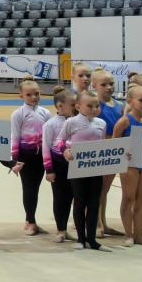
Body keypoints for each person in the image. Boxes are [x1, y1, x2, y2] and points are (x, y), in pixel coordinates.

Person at [57, 89, 108, 251]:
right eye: (89, 106)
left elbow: (102, 145)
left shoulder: (101, 123)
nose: (94, 109)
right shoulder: (71, 122)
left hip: (95, 169)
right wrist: (65, 151)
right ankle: (80, 238)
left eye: (97, 106)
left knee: (94, 204)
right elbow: (59, 140)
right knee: (79, 202)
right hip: (78, 169)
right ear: (78, 106)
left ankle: (91, 239)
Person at [110, 83, 142, 247]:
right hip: (130, 165)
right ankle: (128, 234)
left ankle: (139, 235)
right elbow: (114, 145)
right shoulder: (124, 121)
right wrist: (123, 153)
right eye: (141, 100)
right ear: (129, 101)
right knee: (129, 198)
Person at [8, 78, 50, 236]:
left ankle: (30, 220)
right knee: (29, 188)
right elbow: (15, 137)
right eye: (29, 94)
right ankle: (30, 221)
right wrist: (15, 160)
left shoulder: (45, 113)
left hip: (41, 156)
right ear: (21, 96)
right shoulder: (18, 114)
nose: (34, 97)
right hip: (26, 157)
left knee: (36, 189)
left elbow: (50, 136)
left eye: (36, 94)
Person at [91, 70, 124, 237]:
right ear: (94, 86)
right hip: (99, 149)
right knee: (97, 189)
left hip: (115, 150)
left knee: (105, 189)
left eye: (111, 84)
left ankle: (103, 222)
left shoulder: (119, 105)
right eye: (104, 84)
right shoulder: (94, 105)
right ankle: (96, 223)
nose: (109, 87)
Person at [42, 88, 76, 244]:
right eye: (73, 104)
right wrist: (49, 169)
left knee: (70, 197)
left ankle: (65, 229)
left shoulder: (76, 122)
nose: (76, 107)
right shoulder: (50, 125)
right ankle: (60, 229)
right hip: (58, 165)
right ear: (60, 106)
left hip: (73, 165)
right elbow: (45, 148)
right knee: (59, 197)